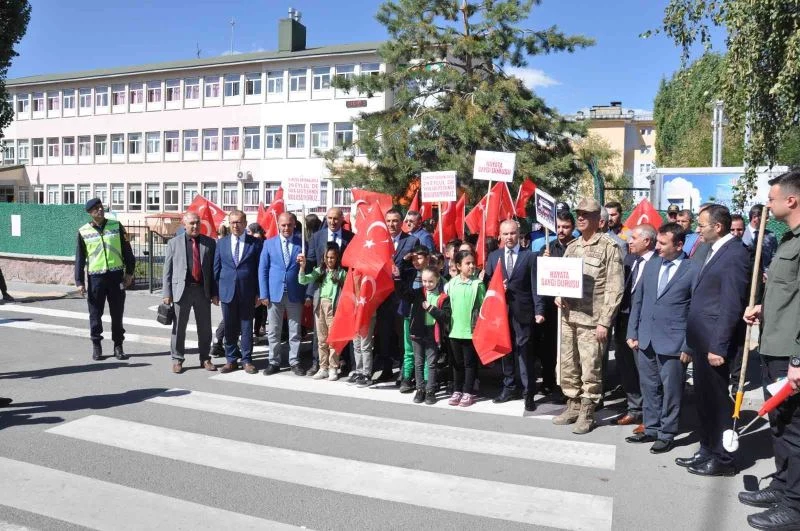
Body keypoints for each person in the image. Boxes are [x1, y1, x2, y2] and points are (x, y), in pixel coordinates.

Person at [740, 170, 800, 529]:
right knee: (778, 424)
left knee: (794, 430)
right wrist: (763, 309)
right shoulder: (789, 240)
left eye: (772, 197)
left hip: (791, 354)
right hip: (773, 347)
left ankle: (795, 506)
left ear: (791, 200)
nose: (768, 203)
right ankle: (781, 485)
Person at [678, 204, 750, 477]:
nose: (697, 230)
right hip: (701, 339)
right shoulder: (712, 249)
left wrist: (719, 346)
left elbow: (731, 305)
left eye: (701, 225)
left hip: (715, 343)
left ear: (717, 227)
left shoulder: (735, 254)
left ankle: (723, 458)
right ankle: (706, 448)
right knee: (704, 400)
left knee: (718, 402)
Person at [552, 198, 624, 435]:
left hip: (592, 321)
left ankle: (588, 412)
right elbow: (561, 278)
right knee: (567, 365)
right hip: (568, 317)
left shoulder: (609, 247)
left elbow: (615, 288)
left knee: (590, 368)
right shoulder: (572, 247)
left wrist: (605, 321)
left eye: (586, 214)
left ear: (598, 220)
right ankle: (572, 405)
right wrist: (558, 294)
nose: (581, 218)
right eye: (579, 214)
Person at [626, 222, 699, 453]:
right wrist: (632, 332)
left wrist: (688, 345)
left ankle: (667, 433)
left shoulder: (693, 269)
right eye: (657, 241)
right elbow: (638, 300)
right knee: (649, 387)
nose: (656, 247)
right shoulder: (652, 264)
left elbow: (696, 311)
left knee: (671, 391)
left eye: (662, 243)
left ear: (679, 245)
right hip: (646, 338)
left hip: (674, 343)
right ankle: (651, 428)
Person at [484, 220, 545, 412]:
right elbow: (487, 285)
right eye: (505, 234)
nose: (509, 237)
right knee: (505, 351)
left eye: (512, 233)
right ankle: (509, 387)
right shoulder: (494, 257)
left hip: (524, 313)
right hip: (501, 313)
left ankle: (529, 393)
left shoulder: (530, 256)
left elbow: (536, 286)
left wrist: (539, 310)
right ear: (500, 236)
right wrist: (496, 287)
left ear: (519, 234)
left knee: (524, 353)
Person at [74, 198, 135, 361]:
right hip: (96, 278)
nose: (100, 210)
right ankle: (97, 345)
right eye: (95, 208)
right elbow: (80, 259)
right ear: (90, 212)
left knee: (117, 313)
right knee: (95, 314)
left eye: (101, 207)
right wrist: (79, 281)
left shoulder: (116, 226)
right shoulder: (83, 231)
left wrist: (129, 273)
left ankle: (118, 345)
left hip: (116, 276)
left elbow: (127, 251)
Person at [162, 212, 219, 374]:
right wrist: (167, 293)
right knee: (179, 328)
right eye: (192, 223)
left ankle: (205, 358)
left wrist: (214, 293)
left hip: (202, 291)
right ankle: (177, 359)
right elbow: (167, 270)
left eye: (197, 222)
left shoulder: (209, 243)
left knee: (205, 328)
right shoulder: (174, 243)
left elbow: (213, 271)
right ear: (184, 224)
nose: (195, 226)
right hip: (182, 291)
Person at [613, 224, 657, 428]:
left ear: (647, 241)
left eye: (634, 238)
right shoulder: (630, 260)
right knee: (627, 368)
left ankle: (650, 416)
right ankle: (634, 409)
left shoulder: (658, 263)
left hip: (643, 326)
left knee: (646, 373)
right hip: (623, 321)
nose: (629, 241)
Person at [305, 208, 354, 376]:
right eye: (330, 218)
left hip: (342, 291)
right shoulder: (317, 236)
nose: (332, 222)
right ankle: (318, 364)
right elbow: (311, 263)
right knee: (320, 333)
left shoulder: (350, 237)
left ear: (342, 220)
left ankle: (342, 362)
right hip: (321, 291)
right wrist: (309, 292)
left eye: (336, 218)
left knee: (340, 329)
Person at [214, 210, 262, 374]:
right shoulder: (221, 243)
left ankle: (247, 360)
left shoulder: (255, 243)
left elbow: (259, 269)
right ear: (229, 224)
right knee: (229, 327)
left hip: (247, 291)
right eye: (233, 222)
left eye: (239, 222)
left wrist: (259, 293)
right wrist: (215, 292)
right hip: (227, 291)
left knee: (247, 327)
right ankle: (231, 359)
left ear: (245, 223)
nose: (235, 225)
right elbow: (216, 268)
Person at [374, 208, 419, 382]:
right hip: (383, 297)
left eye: (395, 221)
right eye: (389, 221)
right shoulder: (378, 241)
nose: (391, 224)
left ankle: (404, 370)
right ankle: (386, 369)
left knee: (402, 335)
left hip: (402, 296)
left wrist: (402, 271)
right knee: (384, 335)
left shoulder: (412, 241)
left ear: (402, 223)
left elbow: (416, 268)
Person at [260, 213, 306, 376]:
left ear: (294, 225)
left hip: (295, 293)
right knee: (274, 331)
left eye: (289, 225)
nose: (286, 228)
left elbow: (308, 270)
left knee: (295, 331)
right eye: (283, 225)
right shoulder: (269, 243)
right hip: (274, 294)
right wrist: (264, 293)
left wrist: (304, 265)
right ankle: (274, 361)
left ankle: (295, 361)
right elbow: (263, 269)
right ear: (278, 225)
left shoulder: (302, 244)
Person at [537, 210, 577, 395]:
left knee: (570, 350)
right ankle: (548, 381)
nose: (561, 230)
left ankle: (568, 386)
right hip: (551, 308)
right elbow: (540, 279)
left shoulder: (578, 247)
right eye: (558, 227)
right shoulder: (547, 248)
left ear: (573, 228)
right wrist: (543, 262)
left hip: (572, 308)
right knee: (549, 347)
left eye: (566, 227)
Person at [399, 265, 451, 404]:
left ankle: (430, 391)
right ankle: (420, 389)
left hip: (432, 333)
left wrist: (431, 308)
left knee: (431, 363)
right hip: (417, 332)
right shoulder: (418, 293)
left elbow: (445, 316)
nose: (427, 284)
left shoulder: (443, 297)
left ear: (438, 280)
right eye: (424, 281)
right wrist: (397, 278)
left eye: (430, 281)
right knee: (418, 362)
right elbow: (403, 294)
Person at [298, 242, 346, 381]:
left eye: (332, 257)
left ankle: (333, 367)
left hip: (333, 307)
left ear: (337, 258)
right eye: (327, 257)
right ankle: (323, 367)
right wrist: (302, 267)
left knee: (333, 339)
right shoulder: (320, 271)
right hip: (319, 306)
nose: (329, 260)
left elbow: (349, 288)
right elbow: (303, 280)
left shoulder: (341, 273)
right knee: (321, 339)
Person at [445, 250, 485, 407]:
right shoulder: (451, 284)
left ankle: (468, 392)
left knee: (469, 364)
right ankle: (457, 390)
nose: (472, 266)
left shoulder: (478, 284)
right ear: (458, 266)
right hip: (454, 331)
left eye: (473, 263)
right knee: (457, 363)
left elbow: (484, 306)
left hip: (470, 332)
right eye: (467, 263)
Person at [742, 203, 778, 277]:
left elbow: (774, 257)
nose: (768, 220)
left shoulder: (771, 236)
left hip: (764, 278)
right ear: (755, 217)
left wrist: (768, 272)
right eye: (766, 218)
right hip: (744, 276)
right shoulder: (741, 233)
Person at [247, 223, 268, 339]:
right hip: (253, 279)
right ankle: (255, 330)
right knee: (256, 309)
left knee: (260, 308)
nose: (248, 234)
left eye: (249, 231)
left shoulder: (261, 243)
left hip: (259, 279)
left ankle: (258, 329)